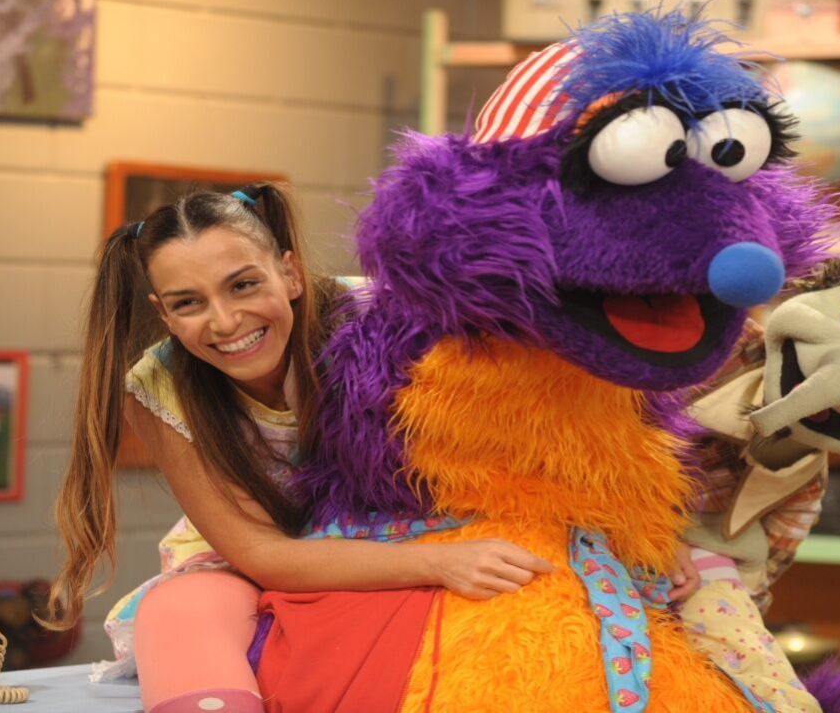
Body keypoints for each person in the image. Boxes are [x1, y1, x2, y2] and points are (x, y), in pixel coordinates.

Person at [42, 184, 556, 713]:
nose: (225, 321)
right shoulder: (157, 385)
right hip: (260, 559)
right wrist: (438, 563)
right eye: (188, 303)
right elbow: (259, 553)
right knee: (176, 609)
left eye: (243, 285)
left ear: (290, 273)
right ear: (164, 314)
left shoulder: (376, 317)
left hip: (407, 526)